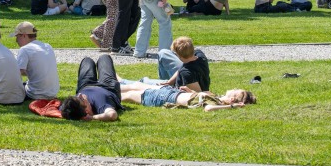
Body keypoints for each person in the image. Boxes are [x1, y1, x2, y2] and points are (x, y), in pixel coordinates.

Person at [59, 55, 121, 122]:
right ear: (86, 110)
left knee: (87, 60)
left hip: (85, 85)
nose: (79, 94)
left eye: (76, 96)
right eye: (81, 99)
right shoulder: (101, 103)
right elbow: (112, 115)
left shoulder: (68, 107)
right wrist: (92, 117)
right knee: (104, 58)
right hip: (108, 87)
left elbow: (63, 111)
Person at [120, 83, 256, 111]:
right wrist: (190, 91)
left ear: (232, 99)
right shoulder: (216, 98)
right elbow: (198, 99)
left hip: (165, 97)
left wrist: (231, 107)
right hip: (170, 92)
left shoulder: (215, 102)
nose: (233, 87)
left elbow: (207, 108)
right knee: (131, 86)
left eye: (235, 90)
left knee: (126, 95)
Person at [11, 21, 59, 100]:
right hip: (53, 93)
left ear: (24, 35)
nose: (16, 40)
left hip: (35, 94)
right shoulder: (48, 46)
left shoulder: (24, 49)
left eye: (17, 37)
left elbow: (19, 72)